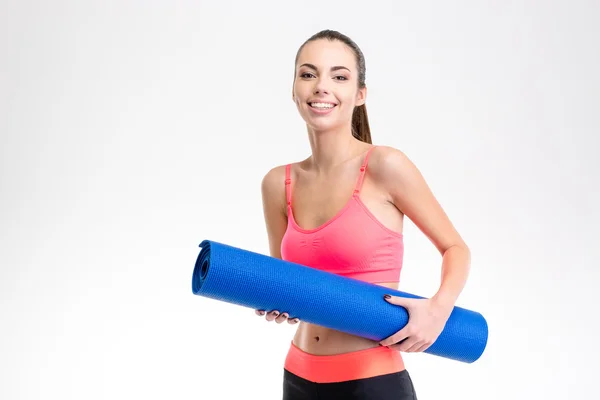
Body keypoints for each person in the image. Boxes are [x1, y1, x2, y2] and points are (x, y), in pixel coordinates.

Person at [256, 29, 471, 400]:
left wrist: (438, 309)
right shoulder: (278, 183)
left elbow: (456, 248)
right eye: (308, 74)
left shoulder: (385, 166)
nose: (322, 86)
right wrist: (277, 301)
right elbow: (286, 280)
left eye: (339, 76)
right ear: (294, 90)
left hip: (372, 381)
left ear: (359, 95)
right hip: (298, 376)